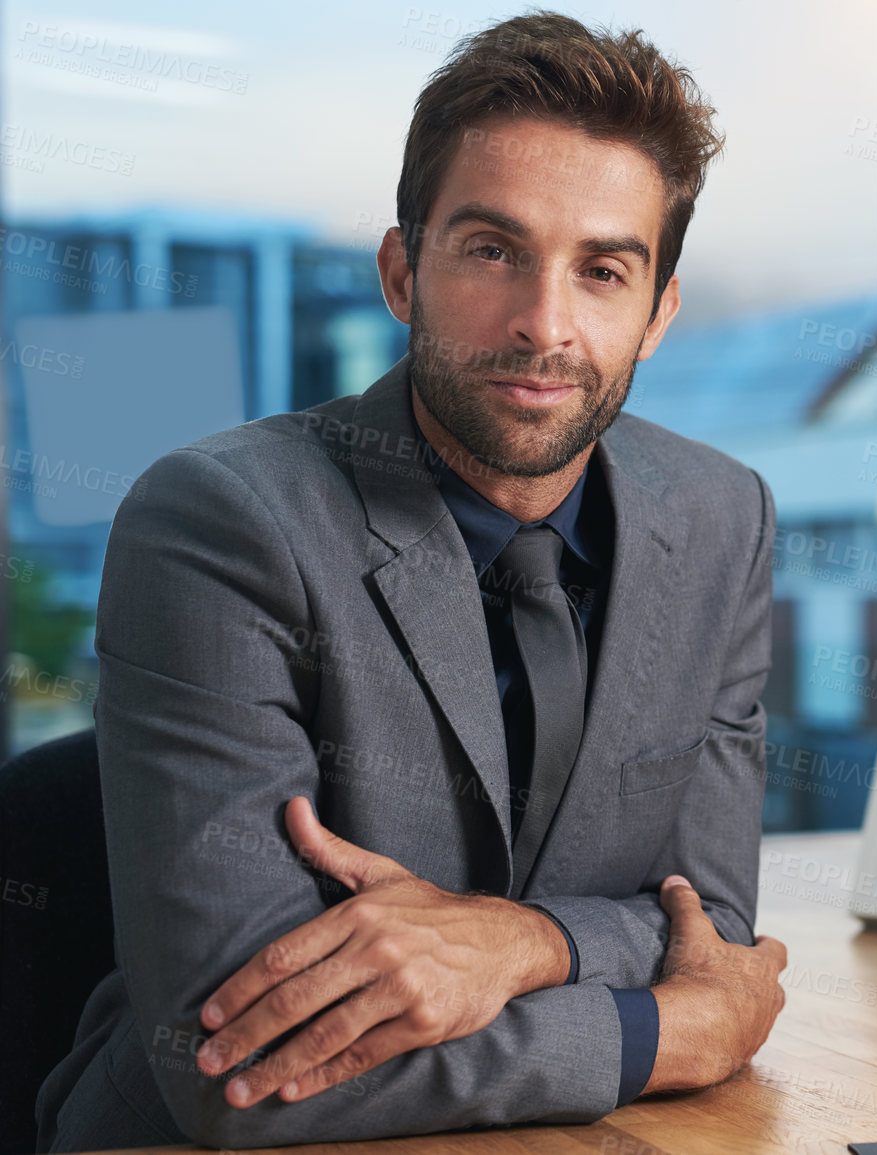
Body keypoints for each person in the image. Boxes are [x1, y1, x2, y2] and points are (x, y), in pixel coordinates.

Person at [34, 12, 788, 1151]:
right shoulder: (220, 519)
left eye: (603, 270)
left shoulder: (725, 518)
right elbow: (234, 1057)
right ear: (402, 270)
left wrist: (520, 943)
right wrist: (671, 1034)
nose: (546, 326)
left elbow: (715, 927)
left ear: (659, 311)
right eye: (493, 251)